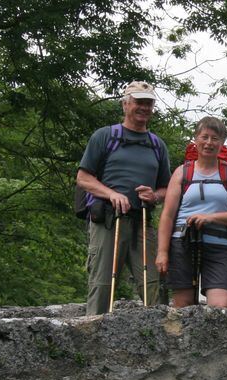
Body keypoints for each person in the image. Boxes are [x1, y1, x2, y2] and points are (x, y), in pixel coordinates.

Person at [77, 80, 171, 315]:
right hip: (109, 220)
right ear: (125, 104)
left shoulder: (157, 145)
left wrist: (154, 196)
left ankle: (158, 338)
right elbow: (83, 178)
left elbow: (167, 188)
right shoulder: (104, 136)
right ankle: (93, 340)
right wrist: (112, 194)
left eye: (149, 103)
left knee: (154, 285)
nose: (144, 108)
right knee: (102, 284)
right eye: (139, 102)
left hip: (142, 221)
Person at [155, 116, 227, 308]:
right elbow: (167, 215)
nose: (209, 143)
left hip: (220, 246)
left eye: (215, 138)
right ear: (195, 139)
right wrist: (162, 252)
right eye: (204, 137)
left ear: (222, 143)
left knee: (221, 306)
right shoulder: (182, 172)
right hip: (182, 243)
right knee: (183, 305)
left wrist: (210, 217)